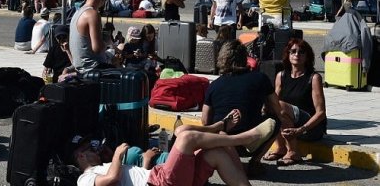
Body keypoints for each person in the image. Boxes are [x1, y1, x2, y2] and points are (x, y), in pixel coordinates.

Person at [74, 113, 277, 186]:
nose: (96, 150)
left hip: (158, 176)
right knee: (185, 136)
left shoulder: (102, 166)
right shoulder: (84, 179)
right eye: (90, 148)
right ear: (81, 155)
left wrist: (145, 160)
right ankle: (247, 139)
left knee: (216, 152)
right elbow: (110, 181)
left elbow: (135, 179)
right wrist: (118, 156)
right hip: (159, 182)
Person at [202, 40, 291, 175]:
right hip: (249, 140)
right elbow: (277, 108)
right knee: (275, 121)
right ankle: (255, 161)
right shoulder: (260, 78)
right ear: (245, 58)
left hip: (221, 141)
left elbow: (205, 120)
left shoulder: (214, 85)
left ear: (222, 59)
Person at [264, 39, 327, 166]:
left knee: (280, 105)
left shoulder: (314, 78)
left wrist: (300, 130)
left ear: (307, 56)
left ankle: (293, 152)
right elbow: (274, 104)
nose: (297, 55)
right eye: (293, 51)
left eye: (301, 52)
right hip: (289, 126)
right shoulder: (281, 76)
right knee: (271, 106)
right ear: (288, 54)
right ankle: (281, 148)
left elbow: (321, 113)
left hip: (310, 128)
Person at [69, 0, 112, 73]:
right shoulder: (92, 14)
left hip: (80, 66)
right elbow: (97, 48)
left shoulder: (78, 12)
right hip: (92, 68)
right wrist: (107, 41)